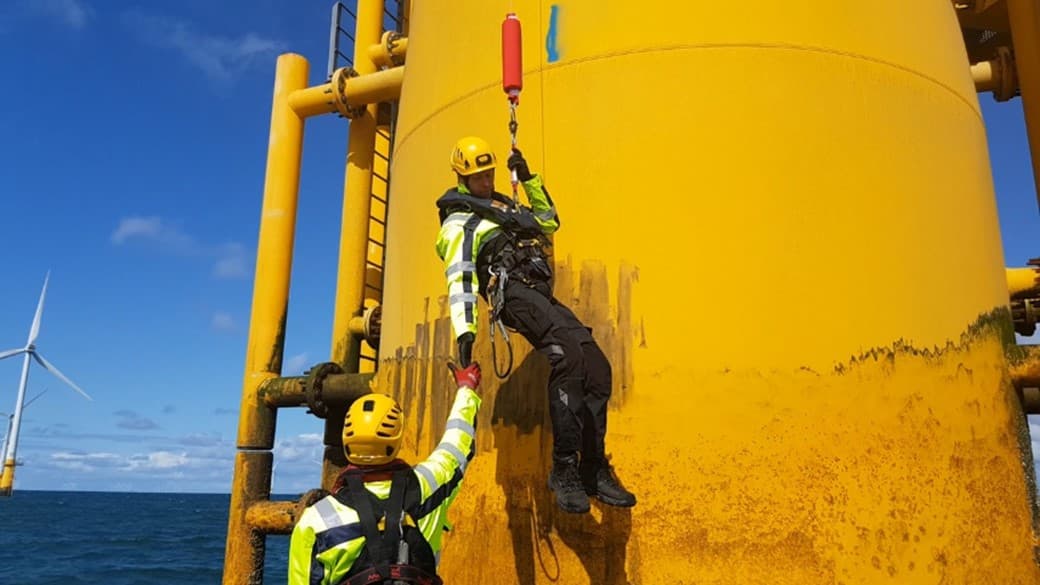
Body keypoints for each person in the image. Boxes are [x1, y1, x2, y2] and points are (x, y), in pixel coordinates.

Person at [434, 136, 636, 514]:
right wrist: (465, 334)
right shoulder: (459, 223)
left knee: (596, 367)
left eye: (490, 172)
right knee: (567, 356)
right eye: (478, 176)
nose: (486, 181)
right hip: (512, 296)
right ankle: (563, 469)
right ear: (462, 176)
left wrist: (529, 180)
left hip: (539, 295)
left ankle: (593, 467)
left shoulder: (503, 206)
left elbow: (548, 221)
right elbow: (460, 279)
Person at [288, 362, 483, 585]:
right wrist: (466, 389)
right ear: (396, 437)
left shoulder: (316, 521)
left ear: (345, 439)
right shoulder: (428, 484)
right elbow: (458, 442)